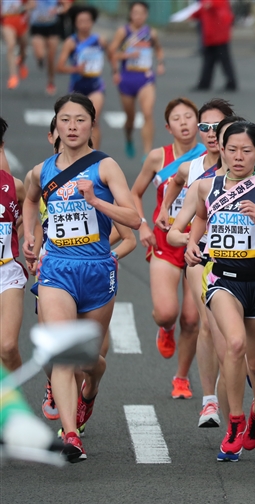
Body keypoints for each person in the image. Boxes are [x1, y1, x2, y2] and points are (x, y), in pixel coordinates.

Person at [22, 93, 141, 462]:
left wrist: (96, 202)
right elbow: (29, 200)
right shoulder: (41, 172)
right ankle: (71, 434)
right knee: (62, 355)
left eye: (80, 120)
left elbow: (134, 220)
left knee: (89, 360)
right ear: (55, 126)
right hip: (57, 269)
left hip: (97, 271)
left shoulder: (105, 167)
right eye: (65, 120)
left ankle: (91, 389)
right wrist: (31, 236)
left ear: (92, 125)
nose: (72, 127)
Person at [186, 121, 255, 461]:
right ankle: (234, 419)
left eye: (247, 151)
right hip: (222, 279)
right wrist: (189, 244)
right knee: (234, 344)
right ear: (221, 150)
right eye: (232, 149)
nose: (239, 156)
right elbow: (181, 229)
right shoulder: (205, 188)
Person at [159, 100, 235, 428]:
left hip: (240, 259)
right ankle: (210, 401)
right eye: (205, 127)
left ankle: (235, 384)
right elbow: (173, 182)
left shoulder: (244, 165)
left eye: (218, 127)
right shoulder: (192, 168)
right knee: (207, 322)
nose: (211, 133)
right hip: (200, 255)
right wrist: (166, 212)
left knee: (236, 336)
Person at [131, 97, 205, 399]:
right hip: (164, 240)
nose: (185, 122)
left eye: (190, 116)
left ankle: (181, 378)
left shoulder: (209, 157)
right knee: (166, 313)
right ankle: (164, 328)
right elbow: (135, 193)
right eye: (178, 118)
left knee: (191, 317)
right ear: (168, 126)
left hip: (197, 242)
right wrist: (143, 226)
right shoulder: (157, 158)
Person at [108, 1, 164, 159]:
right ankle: (129, 138)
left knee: (147, 113)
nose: (138, 16)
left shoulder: (151, 33)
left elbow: (159, 49)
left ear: (146, 15)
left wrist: (160, 63)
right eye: (135, 13)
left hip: (145, 77)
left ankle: (147, 152)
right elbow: (112, 53)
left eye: (142, 13)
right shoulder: (123, 32)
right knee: (130, 118)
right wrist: (122, 60)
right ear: (131, 14)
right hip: (127, 77)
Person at [57, 5, 108, 148]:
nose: (84, 24)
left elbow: (112, 55)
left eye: (87, 21)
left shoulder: (99, 40)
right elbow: (59, 67)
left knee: (94, 119)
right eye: (81, 21)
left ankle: (94, 157)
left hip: (96, 86)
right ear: (75, 23)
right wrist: (76, 69)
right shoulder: (71, 42)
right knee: (77, 123)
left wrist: (116, 70)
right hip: (77, 88)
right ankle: (78, 152)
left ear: (92, 22)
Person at [0, 117, 27, 372]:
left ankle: (17, 404)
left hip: (7, 271)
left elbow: (29, 214)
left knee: (7, 346)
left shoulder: (13, 186)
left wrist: (27, 236)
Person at [192, 0, 236, 91]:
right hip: (211, 35)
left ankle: (230, 82)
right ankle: (205, 83)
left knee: (222, 61)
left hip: (218, 35)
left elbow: (209, 6)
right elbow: (199, 11)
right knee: (210, 61)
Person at [29, 0, 64, 96]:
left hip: (53, 26)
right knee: (40, 53)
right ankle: (40, 59)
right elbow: (25, 6)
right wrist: (29, 6)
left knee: (51, 57)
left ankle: (51, 81)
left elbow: (64, 6)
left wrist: (57, 10)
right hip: (37, 26)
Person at [2, 0, 30, 89]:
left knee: (23, 48)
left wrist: (22, 8)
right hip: (7, 21)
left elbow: (32, 4)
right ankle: (13, 76)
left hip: (21, 22)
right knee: (11, 45)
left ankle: (21, 61)